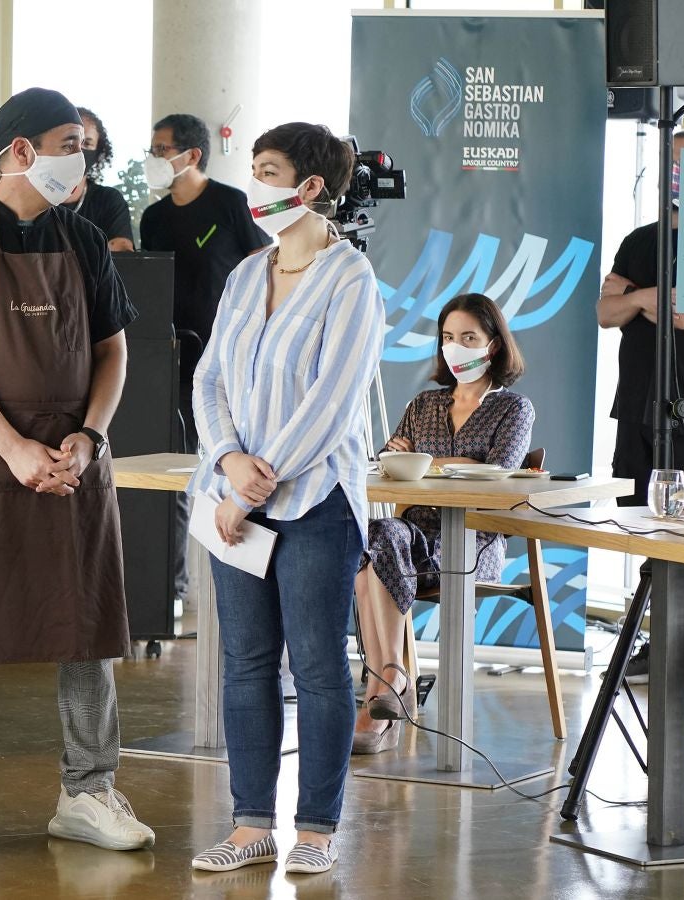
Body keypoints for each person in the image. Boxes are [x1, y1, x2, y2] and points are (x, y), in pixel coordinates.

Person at [0, 87, 153, 856]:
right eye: (70, 142)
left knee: (88, 628)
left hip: (76, 458)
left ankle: (89, 789)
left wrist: (89, 438)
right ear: (18, 151)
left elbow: (113, 350)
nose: (83, 158)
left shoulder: (81, 240)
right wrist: (13, 447)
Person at [188, 122, 383, 875]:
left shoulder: (351, 279)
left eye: (267, 170)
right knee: (246, 664)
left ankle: (316, 827)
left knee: (319, 667)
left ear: (308, 188)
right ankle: (250, 824)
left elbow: (333, 405)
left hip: (317, 501)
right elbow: (209, 380)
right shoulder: (245, 274)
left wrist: (258, 479)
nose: (254, 183)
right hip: (234, 493)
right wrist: (229, 461)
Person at [353, 293, 533, 754]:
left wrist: (426, 461)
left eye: (468, 337)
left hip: (473, 540)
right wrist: (423, 459)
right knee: (370, 540)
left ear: (492, 345)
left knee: (375, 553)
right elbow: (390, 459)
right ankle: (391, 677)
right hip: (410, 537)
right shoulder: (424, 404)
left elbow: (500, 473)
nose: (456, 347)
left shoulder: (513, 408)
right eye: (448, 337)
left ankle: (384, 689)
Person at [139, 113, 269, 603]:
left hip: (231, 365)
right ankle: (174, 589)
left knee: (232, 464)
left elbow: (262, 270)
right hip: (171, 364)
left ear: (191, 155)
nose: (154, 159)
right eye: (152, 149)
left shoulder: (231, 204)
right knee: (177, 473)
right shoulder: (154, 218)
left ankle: (238, 577)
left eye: (161, 148)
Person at [598, 129, 684, 684]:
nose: (679, 178)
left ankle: (683, 642)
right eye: (674, 167)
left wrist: (637, 298)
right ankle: (654, 638)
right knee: (641, 516)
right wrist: (637, 299)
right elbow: (605, 311)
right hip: (638, 400)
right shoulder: (641, 238)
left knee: (683, 521)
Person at [63, 106, 135, 252]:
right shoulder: (34, 199)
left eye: (87, 143)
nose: (78, 150)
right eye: (71, 141)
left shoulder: (108, 200)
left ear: (98, 153)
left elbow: (123, 253)